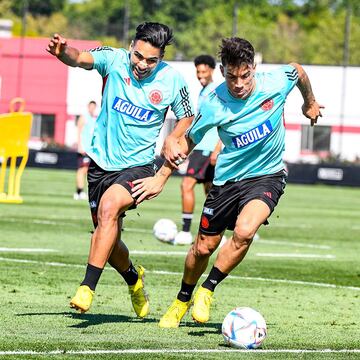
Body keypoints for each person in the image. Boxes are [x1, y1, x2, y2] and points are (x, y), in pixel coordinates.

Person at [157, 37, 324, 328]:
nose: (238, 84)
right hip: (226, 182)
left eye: (245, 76)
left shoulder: (275, 82)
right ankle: (182, 299)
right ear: (222, 71)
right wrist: (162, 172)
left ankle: (207, 290)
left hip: (267, 176)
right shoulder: (212, 102)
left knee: (245, 232)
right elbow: (190, 141)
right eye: (231, 77)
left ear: (254, 69)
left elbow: (298, 70)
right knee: (202, 249)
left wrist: (309, 101)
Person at [46, 22, 194, 317]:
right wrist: (63, 52)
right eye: (138, 56)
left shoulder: (173, 81)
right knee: (108, 237)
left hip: (138, 167)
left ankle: (87, 288)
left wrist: (173, 137)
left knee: (109, 209)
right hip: (100, 164)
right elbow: (80, 58)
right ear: (131, 47)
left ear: (161, 57)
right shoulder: (113, 60)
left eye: (152, 60)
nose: (143, 64)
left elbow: (188, 117)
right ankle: (133, 280)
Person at [173, 55, 221, 245]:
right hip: (202, 148)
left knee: (186, 185)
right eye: (198, 72)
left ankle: (185, 231)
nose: (200, 75)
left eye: (204, 72)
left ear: (212, 71)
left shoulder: (215, 91)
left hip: (207, 148)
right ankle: (217, 231)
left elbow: (221, 121)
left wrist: (217, 148)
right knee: (211, 191)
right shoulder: (203, 91)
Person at [73, 100, 97, 200]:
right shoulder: (84, 117)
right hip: (84, 148)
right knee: (82, 170)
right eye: (90, 107)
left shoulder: (94, 118)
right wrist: (80, 146)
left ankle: (81, 191)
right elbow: (79, 131)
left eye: (94, 107)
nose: (92, 109)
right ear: (88, 107)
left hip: (90, 149)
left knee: (87, 170)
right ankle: (79, 191)